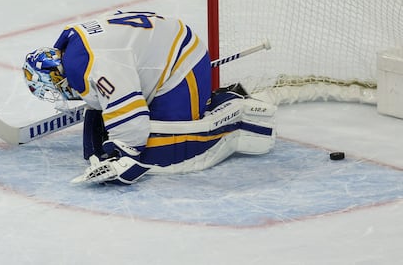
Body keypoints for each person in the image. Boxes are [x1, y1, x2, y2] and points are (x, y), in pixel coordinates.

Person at [23, 11, 276, 185]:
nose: (59, 92)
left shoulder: (94, 66)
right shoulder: (73, 47)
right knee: (101, 130)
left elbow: (133, 126)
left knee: (166, 153)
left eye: (53, 86)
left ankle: (234, 110)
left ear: (58, 75)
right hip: (166, 48)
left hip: (180, 63)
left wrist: (123, 152)